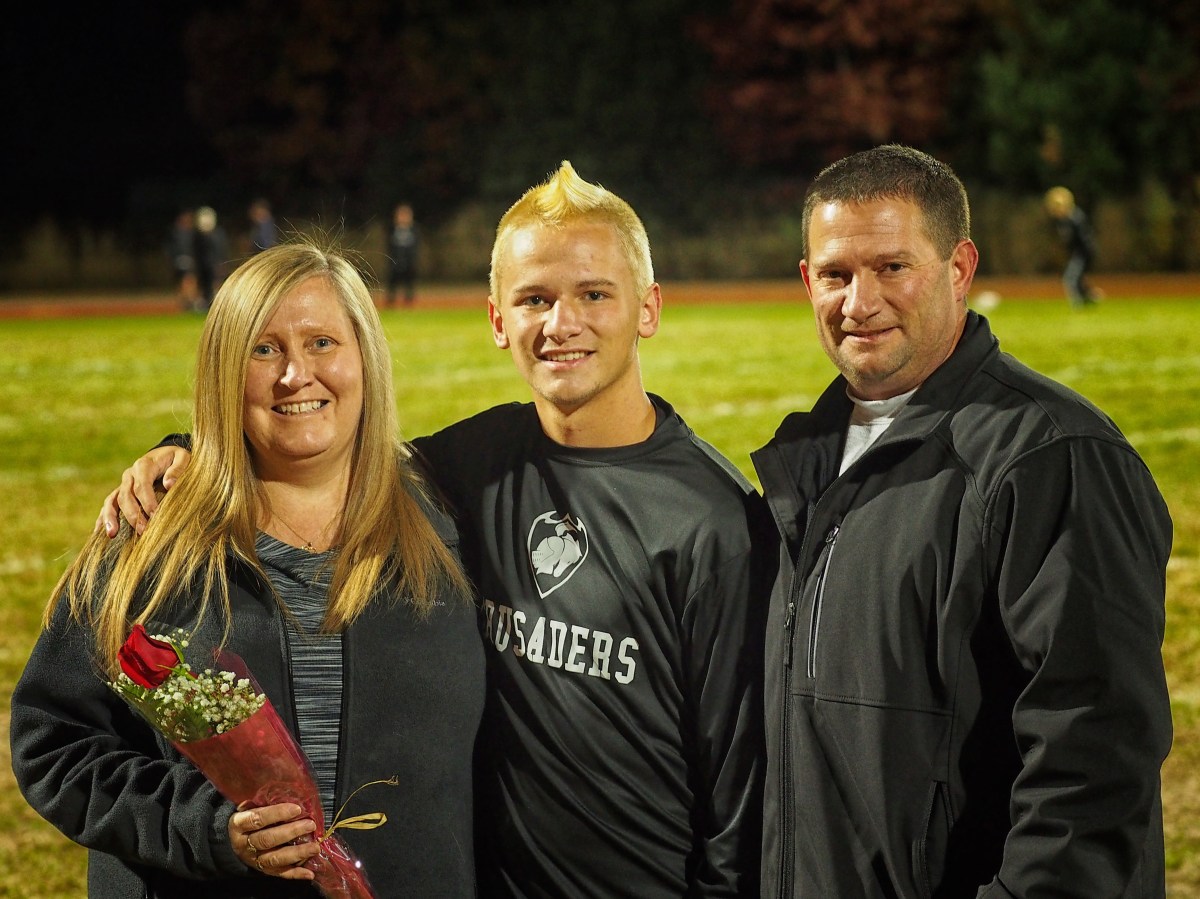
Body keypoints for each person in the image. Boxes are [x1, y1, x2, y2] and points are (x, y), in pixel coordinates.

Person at [98, 162, 767, 897]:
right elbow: (323, 448)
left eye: (594, 294)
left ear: (648, 308)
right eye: (534, 299)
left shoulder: (718, 519)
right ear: (497, 319)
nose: (561, 323)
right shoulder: (473, 462)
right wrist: (190, 454)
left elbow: (742, 792)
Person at [754, 144, 1172, 897]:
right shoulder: (805, 458)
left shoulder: (1050, 454)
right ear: (807, 280)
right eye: (836, 275)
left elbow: (1095, 759)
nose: (859, 302)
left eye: (893, 267)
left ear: (959, 268)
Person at [12, 239, 485, 898]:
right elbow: (54, 741)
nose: (295, 375)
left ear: (366, 358)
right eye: (263, 350)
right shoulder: (151, 539)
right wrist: (204, 826)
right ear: (223, 371)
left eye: (322, 342)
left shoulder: (449, 524)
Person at [1044, 185, 1099, 306]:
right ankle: (1091, 296)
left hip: (1083, 253)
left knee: (1070, 278)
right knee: (1076, 278)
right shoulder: (1063, 220)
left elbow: (1084, 239)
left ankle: (1078, 303)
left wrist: (1083, 254)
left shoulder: (1075, 218)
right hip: (1077, 253)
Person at [193, 205, 231, 311]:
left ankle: (217, 305)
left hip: (215, 266)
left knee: (217, 286)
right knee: (206, 288)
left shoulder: (218, 234)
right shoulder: (198, 236)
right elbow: (197, 252)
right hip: (204, 267)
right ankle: (207, 304)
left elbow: (221, 250)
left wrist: (221, 264)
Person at [385, 202, 419, 306]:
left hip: (409, 262)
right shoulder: (392, 229)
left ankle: (408, 302)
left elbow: (416, 246)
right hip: (395, 261)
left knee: (409, 284)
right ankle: (391, 301)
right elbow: (389, 246)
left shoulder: (414, 230)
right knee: (393, 282)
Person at [168, 208, 200, 311]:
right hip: (181, 262)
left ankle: (189, 301)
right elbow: (171, 249)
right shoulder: (176, 233)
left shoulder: (192, 233)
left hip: (189, 261)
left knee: (190, 280)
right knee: (186, 281)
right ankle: (185, 302)